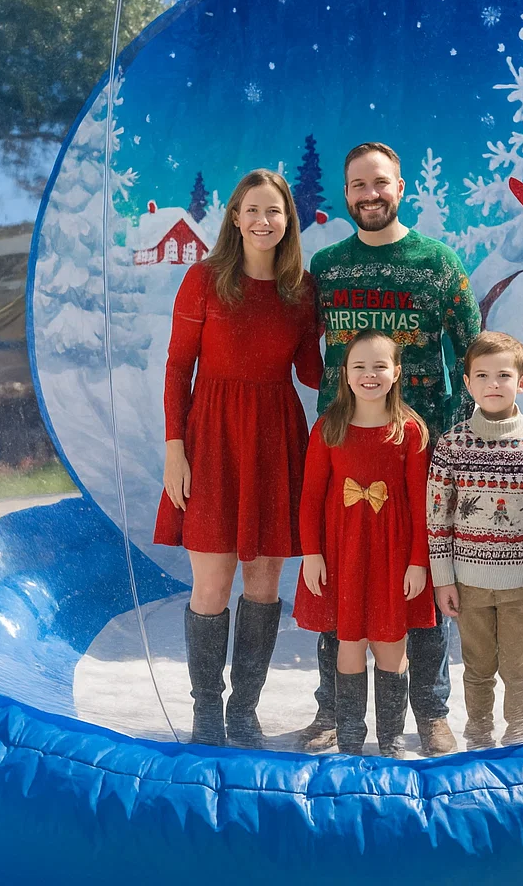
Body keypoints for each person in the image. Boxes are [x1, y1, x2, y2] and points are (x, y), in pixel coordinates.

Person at [299, 141, 481, 756]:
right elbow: (299, 348)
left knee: (421, 581)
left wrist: (463, 429)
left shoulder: (437, 263)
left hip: (420, 454)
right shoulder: (325, 270)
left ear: (401, 188)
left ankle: (429, 712)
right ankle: (332, 711)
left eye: (380, 183)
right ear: (345, 194)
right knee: (341, 579)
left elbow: (475, 347)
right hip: (345, 452)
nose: (369, 195)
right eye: (356, 185)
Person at [153, 169, 323, 748]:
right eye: (252, 210)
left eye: (274, 212)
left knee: (264, 581)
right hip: (212, 436)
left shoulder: (301, 290)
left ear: (288, 221)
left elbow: (309, 370)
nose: (263, 221)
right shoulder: (203, 281)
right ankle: (206, 711)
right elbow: (179, 368)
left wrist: (369, 358)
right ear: (234, 216)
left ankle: (243, 709)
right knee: (211, 585)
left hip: (277, 438)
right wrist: (175, 448)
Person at [293, 329, 434, 758]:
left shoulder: (409, 431)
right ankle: (350, 737)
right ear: (346, 374)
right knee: (348, 642)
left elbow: (419, 504)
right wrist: (312, 554)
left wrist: (418, 563)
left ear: (396, 373)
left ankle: (390, 739)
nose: (369, 374)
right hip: (343, 552)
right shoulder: (329, 427)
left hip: (393, 554)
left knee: (392, 644)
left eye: (379, 366)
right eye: (359, 366)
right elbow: (311, 498)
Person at [428, 331, 523, 748]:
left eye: (504, 375)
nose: (494, 384)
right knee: (476, 667)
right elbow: (437, 517)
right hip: (468, 584)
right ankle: (478, 735)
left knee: (519, 669)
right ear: (468, 383)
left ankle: (521, 736)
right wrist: (443, 578)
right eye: (483, 375)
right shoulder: (452, 444)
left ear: (521, 382)